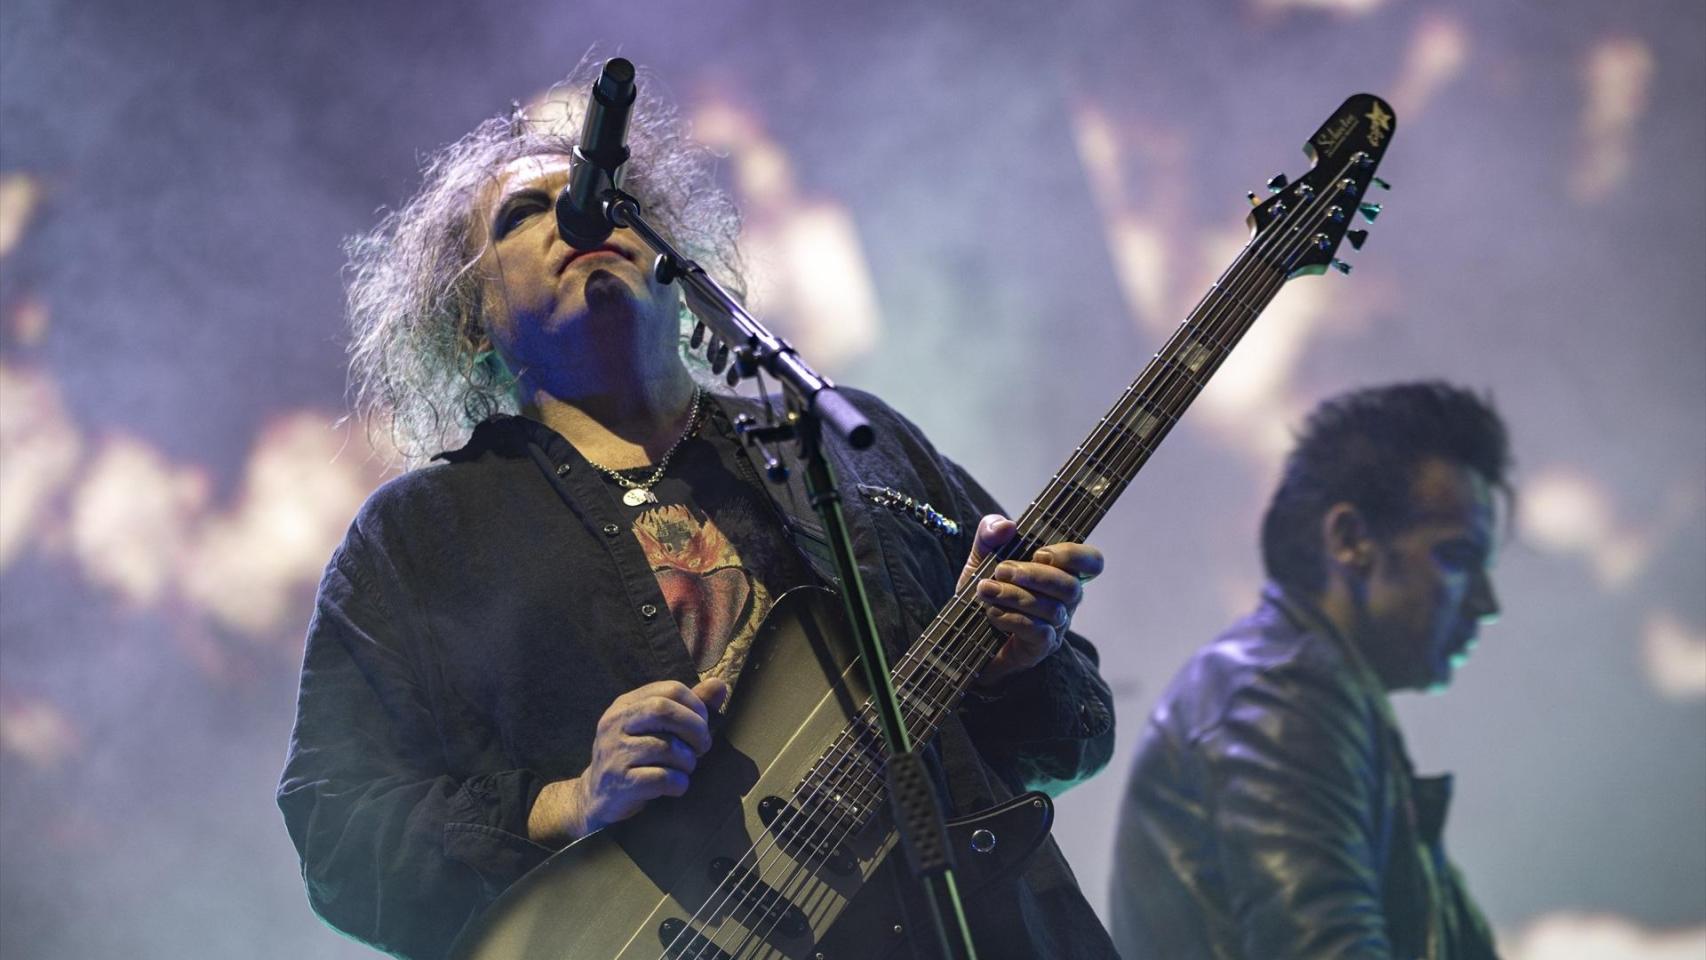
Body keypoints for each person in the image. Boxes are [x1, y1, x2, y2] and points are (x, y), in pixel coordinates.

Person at [277, 63, 1120, 960]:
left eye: (608, 197)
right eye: (525, 214)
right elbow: (337, 836)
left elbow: (1074, 735)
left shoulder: (845, 438)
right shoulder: (417, 539)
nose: (582, 215)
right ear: (469, 321)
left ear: (675, 259)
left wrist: (1020, 663)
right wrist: (566, 800)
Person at [1109, 381, 1507, 959]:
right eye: (1456, 557)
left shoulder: (1302, 693)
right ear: (1350, 540)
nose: (1486, 603)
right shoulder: (1279, 695)